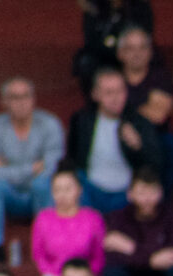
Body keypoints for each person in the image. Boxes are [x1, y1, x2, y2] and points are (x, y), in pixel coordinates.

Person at [0, 78, 65, 259]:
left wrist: (8, 169)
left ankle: (47, 243)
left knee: (44, 184)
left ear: (33, 99)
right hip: (9, 194)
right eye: (14, 97)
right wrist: (31, 169)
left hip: (39, 193)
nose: (21, 102)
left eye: (26, 96)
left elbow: (52, 167)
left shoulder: (50, 124)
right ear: (4, 102)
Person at [67, 68, 158, 214]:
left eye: (120, 91)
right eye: (109, 93)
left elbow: (155, 165)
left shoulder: (139, 123)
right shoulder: (82, 121)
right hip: (90, 191)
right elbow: (72, 158)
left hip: (126, 194)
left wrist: (138, 146)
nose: (116, 98)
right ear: (95, 94)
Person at [31, 169, 107, 276]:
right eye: (57, 190)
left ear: (79, 190)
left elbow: (99, 256)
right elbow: (38, 255)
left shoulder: (92, 218)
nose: (62, 195)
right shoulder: (44, 218)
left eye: (67, 189)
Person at [115, 26, 173, 179]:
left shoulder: (161, 77)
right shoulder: (112, 78)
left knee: (170, 144)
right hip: (117, 134)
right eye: (130, 48)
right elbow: (105, 112)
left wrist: (126, 114)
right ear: (120, 53)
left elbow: (158, 115)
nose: (137, 54)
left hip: (155, 137)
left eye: (142, 48)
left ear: (150, 52)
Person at [74, 0, 155, 93]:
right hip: (103, 56)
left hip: (132, 52)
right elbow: (91, 40)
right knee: (86, 63)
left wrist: (127, 50)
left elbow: (145, 34)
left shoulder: (139, 6)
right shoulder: (93, 7)